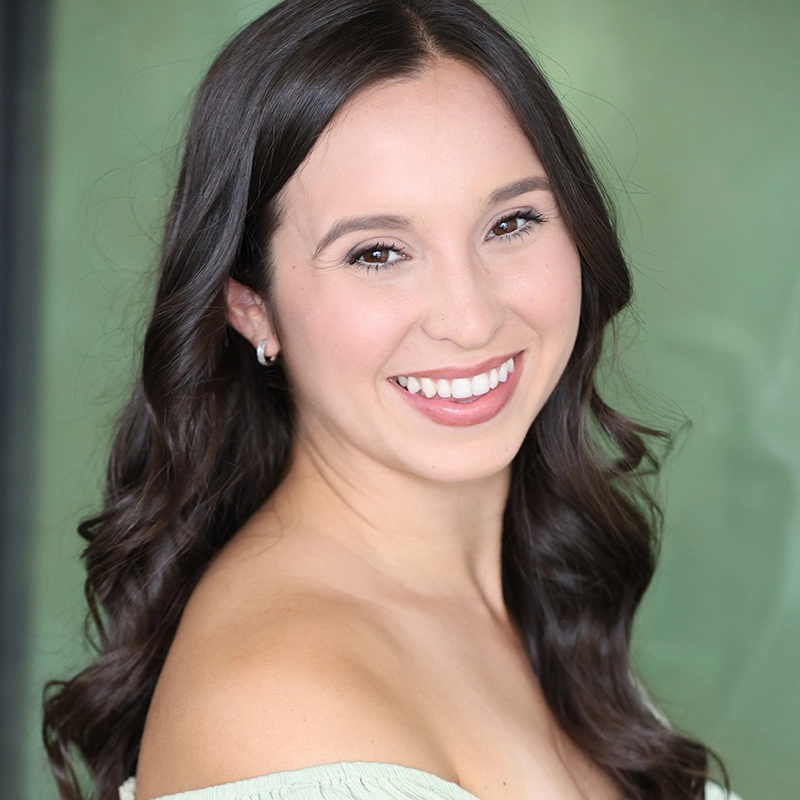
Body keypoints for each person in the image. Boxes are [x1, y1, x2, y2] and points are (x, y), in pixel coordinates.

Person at [42, 0, 738, 798]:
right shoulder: (282, 712)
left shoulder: (529, 607)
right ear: (250, 306)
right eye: (377, 253)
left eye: (512, 222)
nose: (471, 319)